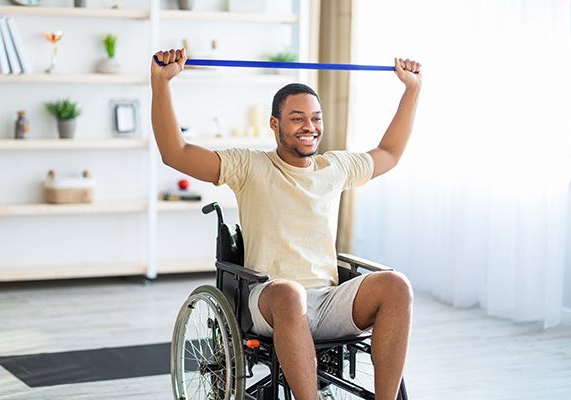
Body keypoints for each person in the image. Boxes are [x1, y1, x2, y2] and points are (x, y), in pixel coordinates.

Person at [151, 48, 422, 400]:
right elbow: (176, 153)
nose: (309, 127)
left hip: (327, 301)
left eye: (315, 118)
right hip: (270, 298)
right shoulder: (249, 166)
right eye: (297, 118)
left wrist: (411, 90)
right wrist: (161, 83)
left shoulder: (335, 167)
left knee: (396, 285)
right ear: (275, 124)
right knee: (290, 293)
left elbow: (390, 153)